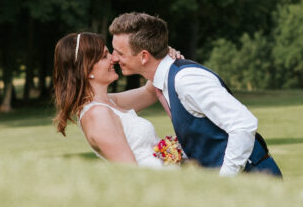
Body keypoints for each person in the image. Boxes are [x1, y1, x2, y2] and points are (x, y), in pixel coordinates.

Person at [109, 12, 282, 178]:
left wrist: (225, 181)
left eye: (120, 53)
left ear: (144, 56)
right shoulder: (163, 82)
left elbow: (243, 125)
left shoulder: (186, 80)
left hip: (254, 178)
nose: (114, 58)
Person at [53, 32, 174, 168]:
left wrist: (164, 59)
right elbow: (130, 170)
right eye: (105, 56)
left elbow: (149, 93)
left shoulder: (109, 102)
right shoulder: (98, 115)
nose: (114, 58)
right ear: (86, 69)